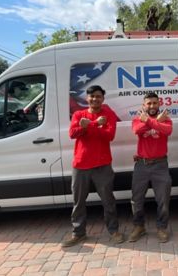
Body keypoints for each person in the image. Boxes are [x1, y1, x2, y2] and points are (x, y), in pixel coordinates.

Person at [62, 85, 125, 247]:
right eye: (92, 96)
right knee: (78, 202)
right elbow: (72, 134)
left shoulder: (108, 114)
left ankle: (113, 230)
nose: (95, 99)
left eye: (98, 96)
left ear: (103, 99)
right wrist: (93, 124)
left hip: (102, 164)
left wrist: (89, 125)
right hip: (80, 165)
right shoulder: (78, 114)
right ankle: (78, 233)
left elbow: (109, 136)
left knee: (108, 200)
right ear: (87, 99)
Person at [129, 92, 173, 243]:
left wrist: (149, 121)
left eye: (155, 103)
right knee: (136, 199)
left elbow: (167, 131)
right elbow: (137, 130)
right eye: (149, 103)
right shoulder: (137, 119)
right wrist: (153, 122)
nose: (152, 106)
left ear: (159, 104)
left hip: (160, 165)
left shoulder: (166, 119)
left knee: (163, 199)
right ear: (144, 105)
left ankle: (162, 228)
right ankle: (139, 226)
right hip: (141, 164)